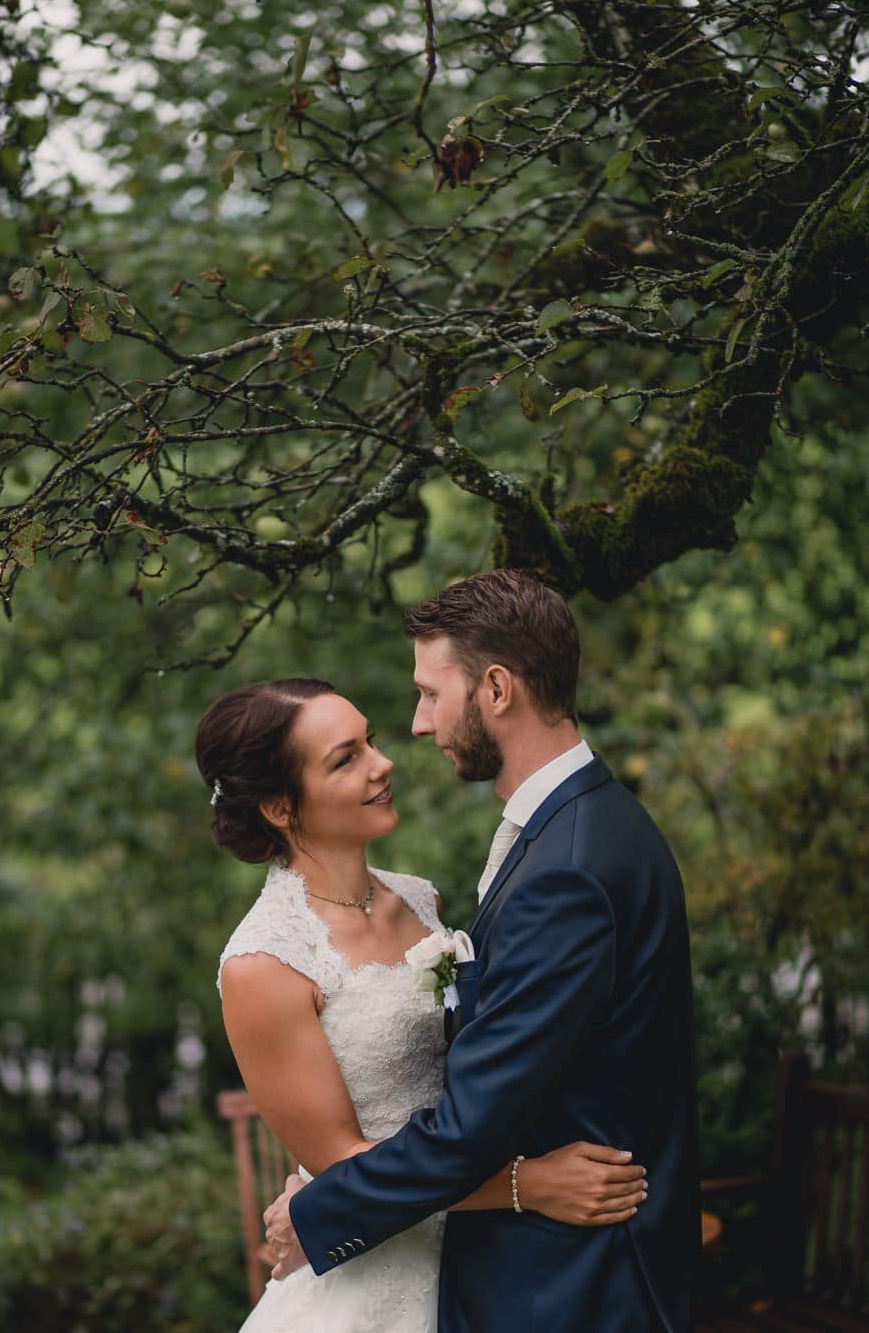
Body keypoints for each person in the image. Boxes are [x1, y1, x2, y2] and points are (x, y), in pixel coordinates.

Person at [263, 570, 700, 1332]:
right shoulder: (578, 827)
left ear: (496, 689)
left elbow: (472, 1126)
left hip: (572, 1287)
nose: (420, 725)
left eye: (431, 693)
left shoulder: (566, 867)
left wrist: (318, 1210)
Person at [197, 676, 647, 1333]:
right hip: (379, 1272)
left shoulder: (419, 900)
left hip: (487, 1260)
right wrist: (528, 1185)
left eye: (370, 742)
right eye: (346, 759)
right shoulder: (262, 963)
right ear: (279, 807)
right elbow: (344, 1168)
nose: (384, 764)